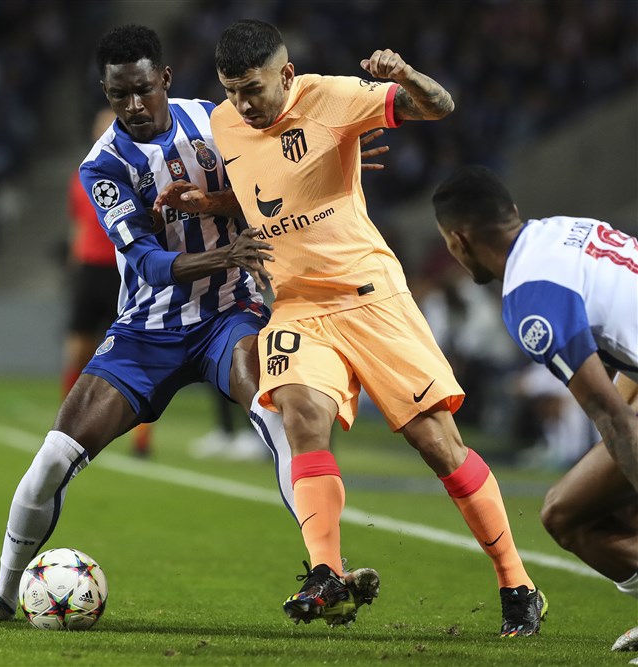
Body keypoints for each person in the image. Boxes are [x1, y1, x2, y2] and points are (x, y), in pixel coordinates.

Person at [0, 24, 388, 627]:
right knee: (51, 459)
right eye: (118, 95)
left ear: (166, 81)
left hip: (230, 315)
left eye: (143, 91)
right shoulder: (102, 166)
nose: (132, 106)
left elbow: (273, 181)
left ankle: (326, 573)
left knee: (280, 414)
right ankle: (1, 595)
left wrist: (333, 163)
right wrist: (220, 256)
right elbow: (148, 264)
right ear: (105, 92)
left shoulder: (216, 122)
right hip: (146, 331)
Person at [158, 19, 543, 636]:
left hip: (371, 297)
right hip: (297, 306)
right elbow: (266, 191)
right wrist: (211, 205)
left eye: (252, 89)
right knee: (300, 415)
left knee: (438, 445)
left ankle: (516, 581)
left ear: (285, 74)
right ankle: (325, 573)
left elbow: (438, 106)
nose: (240, 104)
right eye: (231, 90)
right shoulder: (227, 123)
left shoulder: (334, 98)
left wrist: (406, 76)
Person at [431, 164, 638, 653]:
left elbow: (611, 416)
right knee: (588, 505)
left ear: (458, 240)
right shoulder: (565, 230)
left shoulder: (531, 297)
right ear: (513, 213)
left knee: (567, 516)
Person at [63, 108, 154, 458]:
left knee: (140, 352)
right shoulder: (82, 176)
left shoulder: (138, 172)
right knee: (78, 350)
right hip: (89, 269)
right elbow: (78, 225)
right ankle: (68, 423)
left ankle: (142, 440)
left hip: (125, 267)